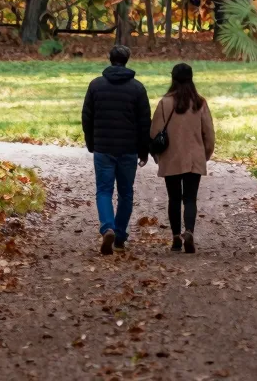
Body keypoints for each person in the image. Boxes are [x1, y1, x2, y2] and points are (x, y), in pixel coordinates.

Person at [81, 44, 151, 255]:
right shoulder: (137, 88)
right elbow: (144, 122)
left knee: (103, 190)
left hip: (103, 146)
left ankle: (107, 227)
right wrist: (143, 150)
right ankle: (119, 236)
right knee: (126, 193)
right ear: (127, 60)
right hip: (128, 149)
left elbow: (87, 117)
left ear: (110, 59)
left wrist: (91, 142)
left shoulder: (95, 86)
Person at [149, 63, 215, 253]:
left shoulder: (165, 103)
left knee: (174, 198)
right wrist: (206, 154)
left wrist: (157, 155)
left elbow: (155, 132)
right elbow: (208, 133)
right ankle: (190, 231)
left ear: (173, 78)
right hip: (194, 156)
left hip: (171, 156)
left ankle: (176, 236)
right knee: (190, 199)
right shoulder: (200, 103)